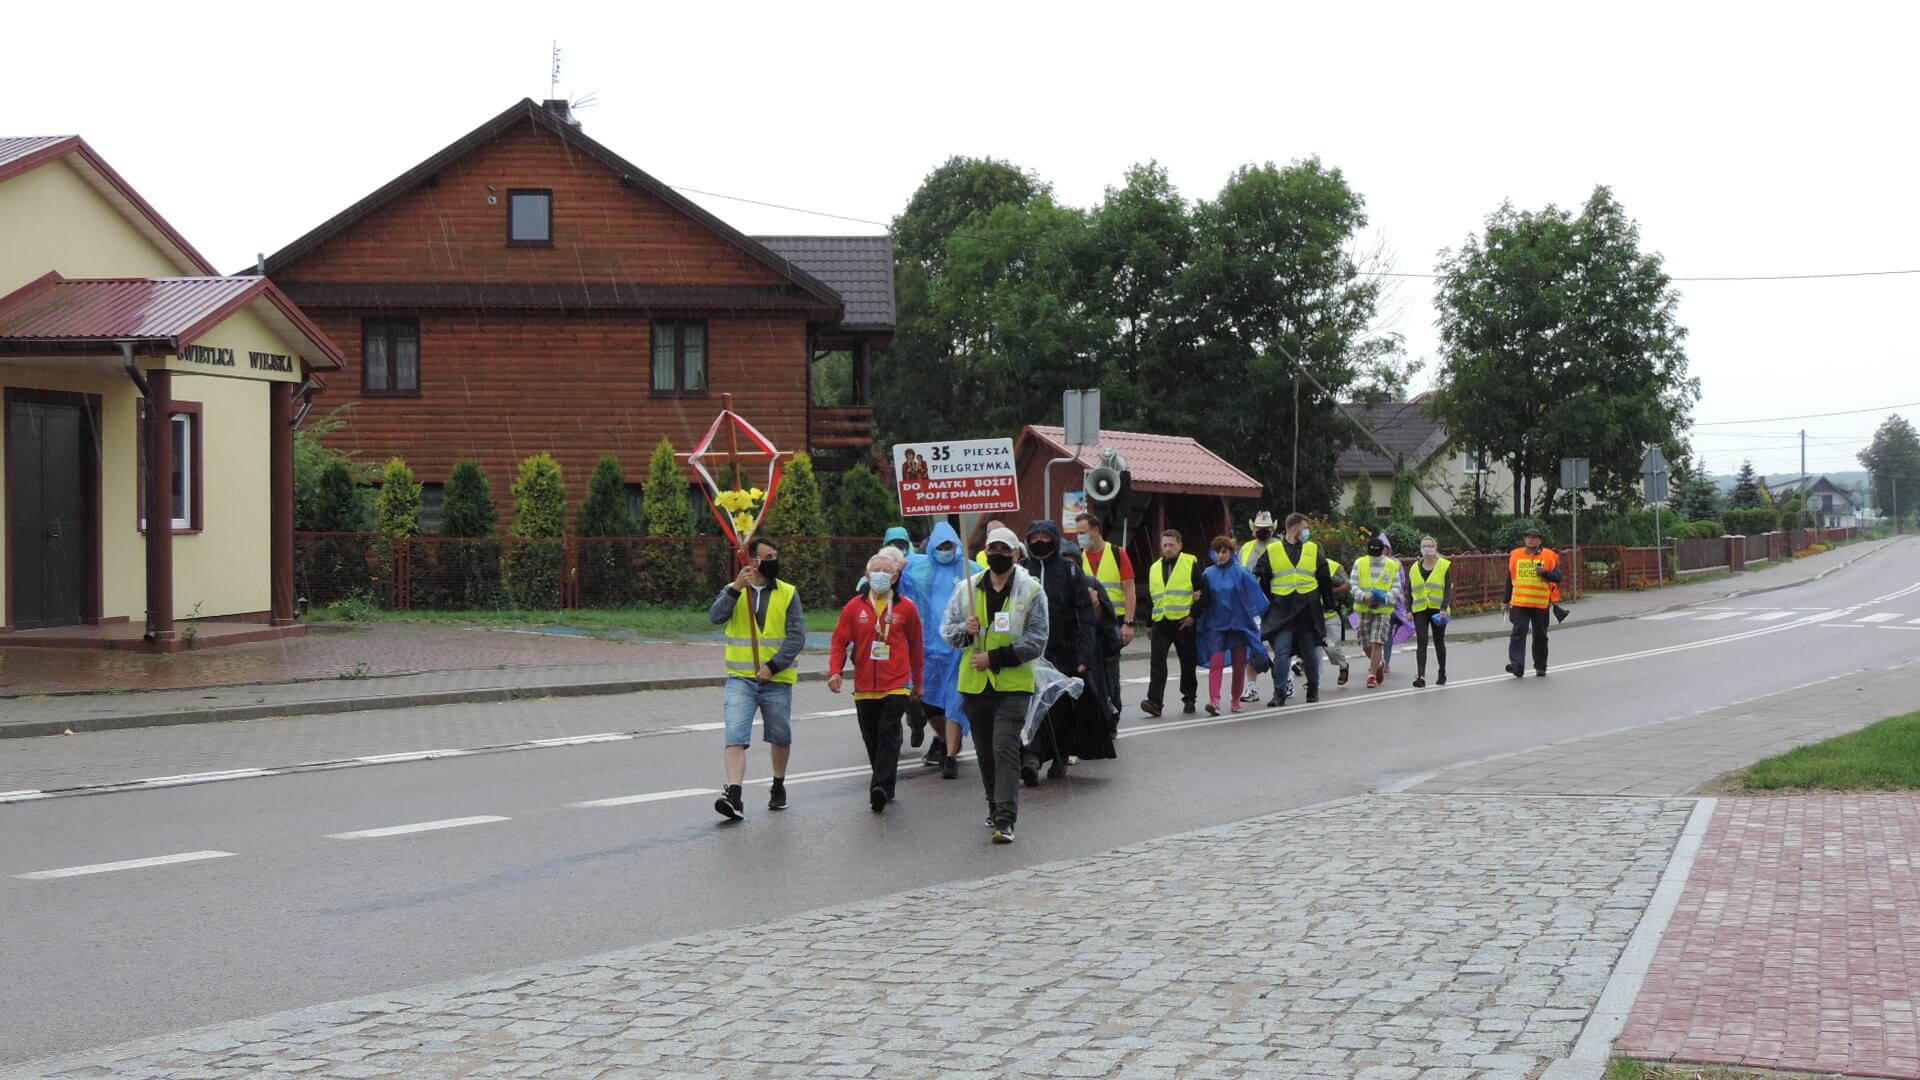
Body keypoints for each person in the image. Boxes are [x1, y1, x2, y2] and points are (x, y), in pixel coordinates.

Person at [942, 527, 1049, 844]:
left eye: (1004, 550)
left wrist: (997, 658)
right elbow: (947, 631)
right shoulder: (967, 589)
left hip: (1014, 685)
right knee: (986, 753)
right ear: (985, 553)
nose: (998, 555)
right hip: (975, 686)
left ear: (1016, 554)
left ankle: (1005, 818)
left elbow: (1038, 640)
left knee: (1004, 748)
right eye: (993, 549)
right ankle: (993, 805)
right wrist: (965, 628)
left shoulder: (1031, 590)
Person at [709, 537, 807, 820]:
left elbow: (797, 636)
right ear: (751, 561)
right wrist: (736, 589)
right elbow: (715, 617)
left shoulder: (788, 593)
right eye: (768, 556)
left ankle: (778, 785)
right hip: (741, 678)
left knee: (780, 736)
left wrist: (773, 666)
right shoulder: (734, 590)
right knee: (735, 734)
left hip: (776, 680)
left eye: (775, 555)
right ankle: (734, 795)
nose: (773, 560)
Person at [827, 553, 926, 812]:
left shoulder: (907, 608)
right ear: (868, 575)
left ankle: (880, 786)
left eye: (887, 571)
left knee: (888, 733)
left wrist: (918, 682)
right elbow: (839, 642)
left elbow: (916, 646)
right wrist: (835, 672)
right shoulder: (854, 608)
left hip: (896, 684)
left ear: (894, 577)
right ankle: (884, 782)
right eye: (876, 571)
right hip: (864, 687)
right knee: (871, 737)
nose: (881, 575)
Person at [1023, 519, 1097, 782]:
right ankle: (1031, 756)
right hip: (1029, 652)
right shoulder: (1021, 570)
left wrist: (1084, 655)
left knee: (1059, 708)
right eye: (1035, 537)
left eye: (1045, 537)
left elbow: (1086, 616)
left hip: (1063, 651)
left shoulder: (1069, 571)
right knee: (1030, 704)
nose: (1040, 542)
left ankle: (1059, 755)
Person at [901, 522, 970, 777]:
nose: (945, 550)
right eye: (940, 546)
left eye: (949, 545)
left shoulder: (968, 570)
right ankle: (943, 738)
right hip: (927, 649)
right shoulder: (918, 567)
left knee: (954, 703)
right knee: (928, 704)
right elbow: (897, 580)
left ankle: (950, 755)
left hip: (957, 649)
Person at [1253, 512, 1335, 706]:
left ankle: (1313, 688)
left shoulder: (1313, 549)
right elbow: (1261, 576)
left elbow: (1324, 578)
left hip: (1307, 609)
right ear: (1294, 528)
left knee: (1309, 653)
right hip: (1282, 609)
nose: (1307, 531)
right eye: (1305, 527)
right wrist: (1268, 602)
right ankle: (1279, 693)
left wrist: (1329, 604)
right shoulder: (1273, 551)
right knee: (1282, 652)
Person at [1199, 535, 1269, 715]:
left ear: (1230, 552)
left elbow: (1255, 597)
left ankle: (1236, 700)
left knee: (1239, 664)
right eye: (1217, 552)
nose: (1220, 556)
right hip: (1217, 625)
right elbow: (1204, 600)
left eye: (1224, 551)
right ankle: (1214, 702)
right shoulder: (1208, 574)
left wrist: (1255, 621)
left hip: (1239, 625)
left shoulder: (1242, 573)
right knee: (1216, 663)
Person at [1141, 529, 1206, 717]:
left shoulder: (1190, 562)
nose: (1167, 549)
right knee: (1157, 663)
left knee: (1187, 663)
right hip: (1161, 622)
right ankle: (1154, 702)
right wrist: (1149, 624)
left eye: (1171, 545)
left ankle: (1189, 698)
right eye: (1164, 545)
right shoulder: (1154, 568)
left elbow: (1202, 592)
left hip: (1183, 622)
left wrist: (1193, 616)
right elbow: (1151, 598)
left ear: (1180, 545)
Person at [1506, 525, 1561, 678]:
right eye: (1528, 537)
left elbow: (1558, 578)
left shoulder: (1549, 556)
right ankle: (1517, 665)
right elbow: (1509, 579)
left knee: (1540, 635)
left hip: (1540, 603)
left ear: (1540, 540)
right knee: (1518, 632)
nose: (1530, 540)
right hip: (1520, 602)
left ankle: (1540, 666)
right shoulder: (1516, 555)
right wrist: (1505, 601)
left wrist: (1545, 573)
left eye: (1534, 537)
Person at [1238, 511, 1280, 704]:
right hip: (1250, 604)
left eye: (1266, 529)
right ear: (1253, 529)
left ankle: (1283, 680)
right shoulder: (1246, 548)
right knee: (1251, 644)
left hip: (1274, 601)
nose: (1262, 532)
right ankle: (1252, 687)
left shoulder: (1279, 547)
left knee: (1277, 644)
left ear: (1273, 529)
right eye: (1259, 529)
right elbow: (1239, 572)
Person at [1350, 534, 1402, 689]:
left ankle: (1372, 675)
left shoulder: (1392, 565)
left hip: (1383, 609)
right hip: (1364, 608)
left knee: (1376, 641)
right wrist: (1362, 596)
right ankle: (1378, 663)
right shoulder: (1360, 563)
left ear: (1383, 551)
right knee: (1365, 643)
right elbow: (1353, 584)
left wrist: (1387, 597)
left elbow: (1397, 586)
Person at [1408, 535, 1453, 688]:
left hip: (1438, 610)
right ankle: (1420, 675)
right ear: (1421, 549)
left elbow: (1448, 589)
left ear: (1435, 547)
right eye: (1424, 546)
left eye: (1430, 546)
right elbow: (1409, 590)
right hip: (1420, 609)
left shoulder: (1443, 565)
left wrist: (1444, 608)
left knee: (1438, 641)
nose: (1427, 549)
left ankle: (1442, 671)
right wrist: (1409, 609)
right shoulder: (1414, 567)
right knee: (1421, 641)